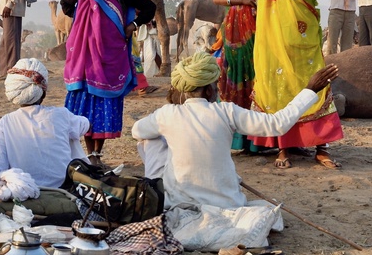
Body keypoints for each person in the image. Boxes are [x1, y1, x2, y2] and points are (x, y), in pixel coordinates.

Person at [133, 51, 339, 209]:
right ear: (209, 90)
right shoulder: (226, 111)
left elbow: (137, 131)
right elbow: (277, 124)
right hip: (227, 204)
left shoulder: (166, 114)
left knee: (150, 139)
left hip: (178, 204)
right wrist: (310, 89)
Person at [251, 0, 344, 169]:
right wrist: (262, 5)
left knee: (314, 83)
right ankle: (284, 147)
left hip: (305, 33)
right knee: (281, 84)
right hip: (275, 34)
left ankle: (321, 147)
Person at [61, 0, 156, 165]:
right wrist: (81, 21)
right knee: (87, 105)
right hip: (85, 60)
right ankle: (90, 154)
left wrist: (133, 25)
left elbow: (150, 7)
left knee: (105, 101)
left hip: (111, 57)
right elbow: (65, 4)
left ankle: (97, 154)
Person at [211, 0, 274, 153]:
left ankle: (265, 140)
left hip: (269, 25)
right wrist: (242, 1)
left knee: (265, 77)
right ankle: (242, 141)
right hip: (238, 30)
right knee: (239, 79)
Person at [0, 58, 89, 189]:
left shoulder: (7, 121)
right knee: (72, 134)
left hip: (26, 189)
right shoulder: (61, 114)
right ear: (43, 92)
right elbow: (86, 125)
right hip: (63, 188)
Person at [113, 0, 157, 97]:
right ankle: (140, 86)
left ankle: (138, 86)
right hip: (116, 25)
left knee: (130, 53)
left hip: (124, 24)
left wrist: (135, 17)